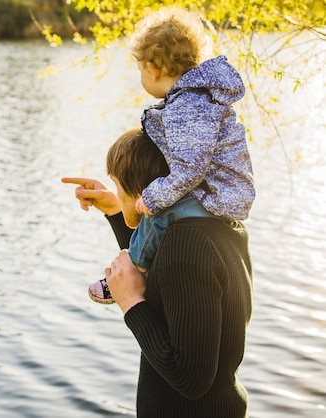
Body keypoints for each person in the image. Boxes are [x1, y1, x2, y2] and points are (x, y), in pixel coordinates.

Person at [62, 127, 252, 417]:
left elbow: (190, 379)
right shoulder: (215, 224)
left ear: (140, 192)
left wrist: (132, 304)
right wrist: (116, 210)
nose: (116, 192)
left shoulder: (186, 246)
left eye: (118, 186)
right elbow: (168, 278)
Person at [87, 8, 255, 304]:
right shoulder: (193, 99)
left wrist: (153, 197)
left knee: (160, 212)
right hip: (220, 193)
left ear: (152, 68)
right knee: (160, 213)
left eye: (139, 69)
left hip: (216, 197)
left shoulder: (186, 107)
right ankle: (138, 265)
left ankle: (133, 272)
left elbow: (191, 169)